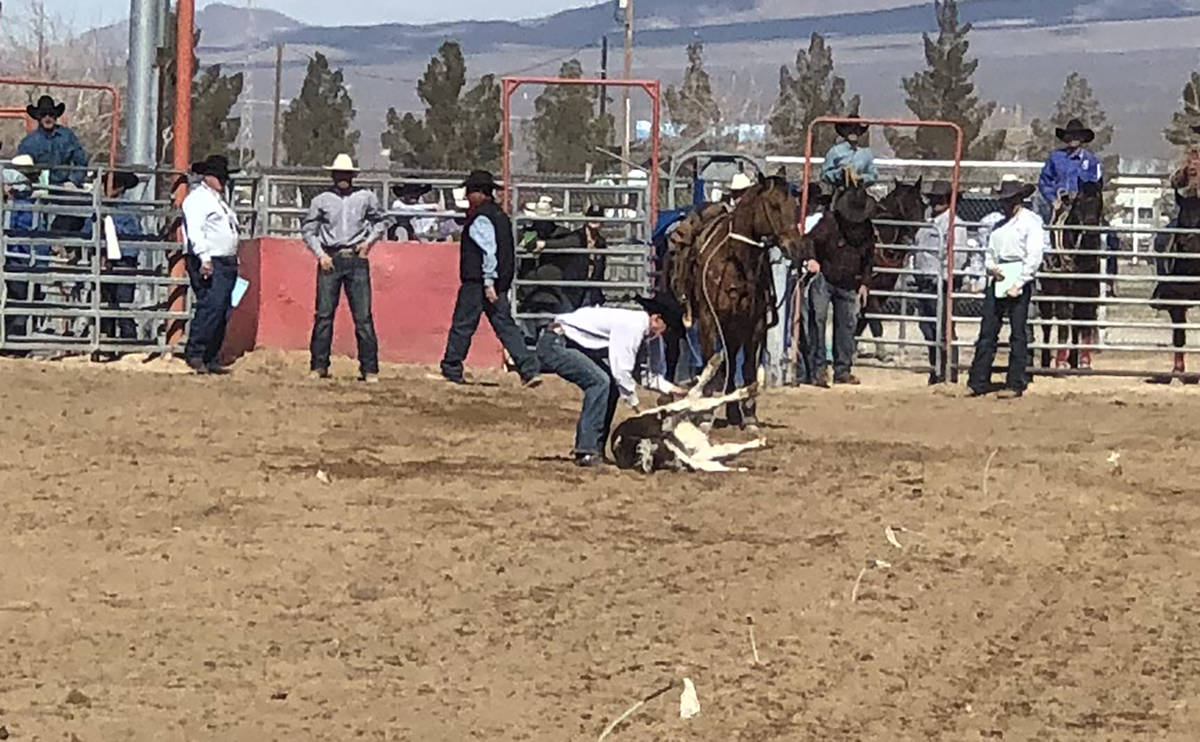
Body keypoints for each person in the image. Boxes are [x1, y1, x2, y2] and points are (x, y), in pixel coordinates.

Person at [536, 297, 685, 468]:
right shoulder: (633, 325)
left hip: (570, 343)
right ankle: (586, 450)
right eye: (665, 329)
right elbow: (621, 370)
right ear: (656, 319)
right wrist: (636, 406)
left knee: (608, 385)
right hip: (556, 343)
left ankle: (595, 448)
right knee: (600, 383)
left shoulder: (648, 334)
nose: (664, 335)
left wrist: (674, 389)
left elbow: (646, 374)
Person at [440, 169, 541, 386]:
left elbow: (489, 251)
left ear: (480, 193)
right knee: (505, 325)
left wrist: (488, 282)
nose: (467, 196)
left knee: (463, 323)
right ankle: (529, 369)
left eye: (469, 192)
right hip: (497, 281)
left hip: (479, 282)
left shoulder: (481, 219)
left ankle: (451, 366)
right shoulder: (500, 217)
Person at [300, 154, 389, 383]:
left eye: (346, 175)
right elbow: (309, 230)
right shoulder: (321, 200)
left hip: (355, 258)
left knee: (363, 316)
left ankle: (369, 368)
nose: (343, 178)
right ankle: (319, 365)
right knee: (324, 315)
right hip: (331, 258)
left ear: (352, 176)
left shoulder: (366, 197)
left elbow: (380, 221)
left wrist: (367, 244)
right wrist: (320, 255)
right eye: (339, 174)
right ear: (333, 175)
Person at [967, 180, 1046, 399]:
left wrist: (1019, 282)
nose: (1006, 204)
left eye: (1009, 200)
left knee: (1018, 333)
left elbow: (1034, 255)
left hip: (1019, 277)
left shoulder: (1031, 222)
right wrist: (991, 268)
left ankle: (1015, 382)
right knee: (988, 331)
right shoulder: (998, 226)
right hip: (1000, 277)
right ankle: (978, 381)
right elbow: (990, 252)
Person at [804, 186, 874, 387]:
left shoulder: (866, 229)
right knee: (818, 320)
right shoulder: (830, 222)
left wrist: (864, 282)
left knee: (846, 325)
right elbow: (810, 240)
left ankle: (842, 369)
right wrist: (812, 259)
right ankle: (818, 369)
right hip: (825, 276)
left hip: (849, 280)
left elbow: (869, 257)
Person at [181, 154, 241, 375]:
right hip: (211, 259)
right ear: (208, 177)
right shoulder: (197, 200)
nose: (224, 182)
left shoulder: (217, 201)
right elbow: (196, 231)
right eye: (220, 177)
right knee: (211, 306)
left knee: (222, 308)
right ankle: (196, 352)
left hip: (225, 261)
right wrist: (204, 257)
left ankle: (210, 355)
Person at [911, 180, 970, 384]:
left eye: (941, 199)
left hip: (942, 283)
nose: (936, 203)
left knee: (944, 330)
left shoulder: (956, 224)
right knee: (928, 329)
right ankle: (936, 369)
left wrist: (946, 277)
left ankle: (948, 371)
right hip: (925, 282)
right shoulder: (928, 223)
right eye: (934, 198)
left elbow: (958, 256)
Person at [82, 170, 144, 343]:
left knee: (122, 303)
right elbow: (87, 231)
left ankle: (127, 341)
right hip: (106, 259)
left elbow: (133, 236)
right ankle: (107, 339)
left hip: (123, 259)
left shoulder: (127, 210)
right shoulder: (100, 208)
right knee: (106, 301)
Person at [1037, 118, 1103, 222]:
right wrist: (1053, 200)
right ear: (1066, 138)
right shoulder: (1055, 157)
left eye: (1077, 135)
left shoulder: (1092, 161)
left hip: (1084, 211)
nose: (1073, 138)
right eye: (1071, 135)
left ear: (1082, 138)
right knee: (1047, 229)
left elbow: (1095, 187)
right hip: (1060, 206)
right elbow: (1044, 181)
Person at [18, 95, 88, 189]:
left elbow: (81, 162)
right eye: (43, 114)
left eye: (51, 114)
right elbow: (22, 169)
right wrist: (33, 183)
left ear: (56, 117)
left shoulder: (68, 137)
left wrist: (73, 181)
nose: (48, 118)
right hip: (38, 189)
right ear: (38, 118)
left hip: (65, 188)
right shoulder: (28, 142)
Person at [820, 115, 878, 188]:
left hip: (860, 191)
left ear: (860, 132)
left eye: (856, 128)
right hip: (840, 189)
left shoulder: (866, 153)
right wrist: (840, 173)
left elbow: (873, 175)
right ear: (844, 131)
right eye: (849, 128)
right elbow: (824, 175)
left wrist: (861, 178)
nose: (853, 131)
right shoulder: (835, 151)